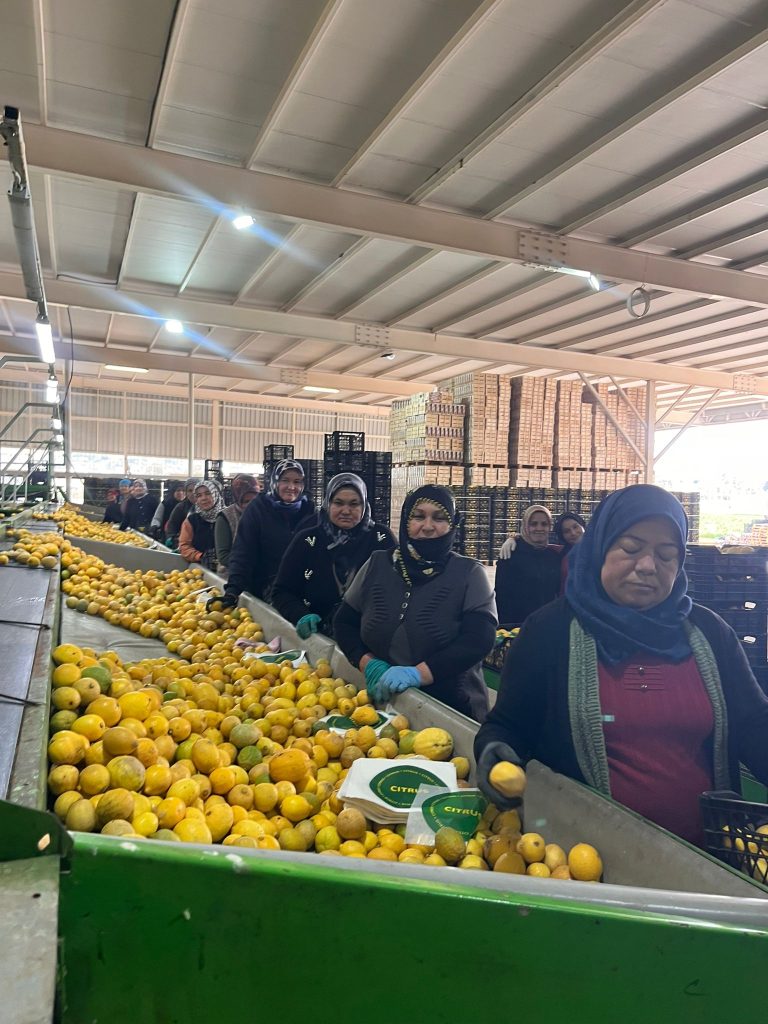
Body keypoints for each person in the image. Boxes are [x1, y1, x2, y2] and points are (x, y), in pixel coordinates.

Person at [474, 484, 768, 847]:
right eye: (630, 548)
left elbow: (755, 724)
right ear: (600, 547)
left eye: (666, 554)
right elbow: (508, 725)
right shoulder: (550, 631)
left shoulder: (709, 634)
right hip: (584, 861)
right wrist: (495, 753)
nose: (647, 566)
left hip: (704, 860)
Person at [334, 485, 497, 721]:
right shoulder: (377, 564)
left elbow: (479, 640)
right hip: (379, 706)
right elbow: (343, 622)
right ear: (406, 522)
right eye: (418, 516)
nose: (428, 526)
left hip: (451, 711)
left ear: (452, 525)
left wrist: (419, 674)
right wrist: (367, 663)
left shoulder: (469, 573)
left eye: (439, 518)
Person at [272, 473, 395, 639]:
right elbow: (282, 591)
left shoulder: (381, 539)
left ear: (364, 506)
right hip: (317, 638)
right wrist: (300, 615)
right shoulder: (307, 540)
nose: (346, 511)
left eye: (354, 504)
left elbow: (396, 591)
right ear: (327, 504)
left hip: (366, 639)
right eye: (338, 503)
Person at [214, 459, 316, 609]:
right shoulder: (258, 509)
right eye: (285, 480)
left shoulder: (310, 511)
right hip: (264, 589)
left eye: (297, 481)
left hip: (301, 590)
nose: (291, 487)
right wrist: (232, 591)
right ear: (275, 481)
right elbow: (243, 552)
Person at [495, 505, 562, 626]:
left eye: (544, 524)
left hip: (546, 624)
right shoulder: (511, 554)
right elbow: (501, 596)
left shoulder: (553, 556)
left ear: (550, 527)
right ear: (525, 526)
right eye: (533, 524)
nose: (539, 528)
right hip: (517, 625)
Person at [215, 475, 259, 578]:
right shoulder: (225, 518)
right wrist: (253, 564)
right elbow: (223, 556)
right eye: (246, 501)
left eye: (255, 500)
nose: (251, 505)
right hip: (232, 576)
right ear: (237, 499)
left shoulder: (264, 514)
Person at [178, 480, 225, 568]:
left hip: (227, 570)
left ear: (216, 494)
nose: (204, 498)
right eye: (199, 495)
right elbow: (184, 546)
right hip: (200, 570)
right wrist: (200, 556)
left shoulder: (227, 517)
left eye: (208, 493)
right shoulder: (191, 520)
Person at [554, 510, 587, 591]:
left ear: (582, 526)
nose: (573, 533)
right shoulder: (560, 554)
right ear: (562, 536)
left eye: (575, 527)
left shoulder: (599, 550)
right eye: (567, 531)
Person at [165, 478, 197, 547]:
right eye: (190, 491)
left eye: (195, 490)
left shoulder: (205, 507)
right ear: (186, 493)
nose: (193, 493)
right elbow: (172, 525)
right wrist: (171, 539)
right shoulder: (180, 507)